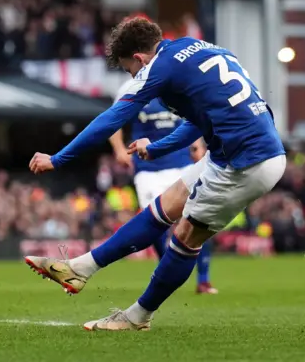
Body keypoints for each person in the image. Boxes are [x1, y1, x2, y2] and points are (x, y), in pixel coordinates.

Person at [25, 17, 286, 331]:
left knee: (185, 236)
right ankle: (79, 269)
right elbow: (200, 120)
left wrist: (58, 158)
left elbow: (112, 119)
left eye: (128, 71)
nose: (132, 77)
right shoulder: (192, 47)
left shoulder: (159, 68)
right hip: (238, 149)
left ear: (139, 58)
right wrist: (160, 147)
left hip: (246, 160)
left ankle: (137, 317)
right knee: (165, 206)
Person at [109, 92, 217, 294]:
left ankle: (203, 279)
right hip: (148, 170)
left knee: (198, 218)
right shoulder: (135, 90)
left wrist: (198, 144)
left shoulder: (177, 88)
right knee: (154, 224)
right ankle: (167, 269)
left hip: (182, 166)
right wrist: (119, 149)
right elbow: (113, 121)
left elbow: (196, 117)